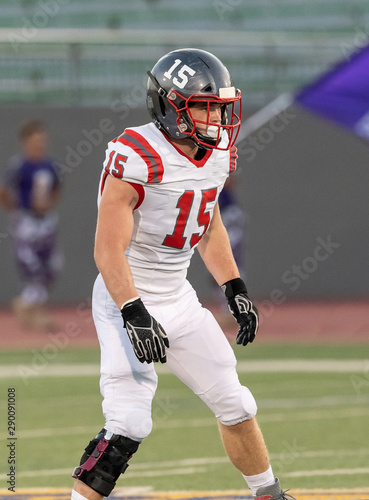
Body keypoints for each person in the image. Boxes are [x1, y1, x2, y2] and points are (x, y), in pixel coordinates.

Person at [71, 48, 296, 500]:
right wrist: (133, 311)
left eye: (218, 107)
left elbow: (206, 220)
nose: (215, 118)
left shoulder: (216, 153)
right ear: (170, 105)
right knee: (129, 423)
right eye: (203, 106)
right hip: (125, 297)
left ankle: (269, 495)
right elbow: (106, 250)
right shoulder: (136, 154)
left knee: (235, 402)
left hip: (178, 297)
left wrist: (233, 285)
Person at [0, 120, 63, 331]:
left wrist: (48, 205)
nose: (41, 144)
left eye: (43, 140)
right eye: (36, 141)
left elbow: (56, 188)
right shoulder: (19, 165)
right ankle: (35, 313)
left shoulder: (50, 165)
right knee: (32, 267)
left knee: (52, 266)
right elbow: (4, 190)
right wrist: (16, 209)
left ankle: (27, 304)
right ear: (25, 142)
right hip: (26, 222)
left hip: (45, 221)